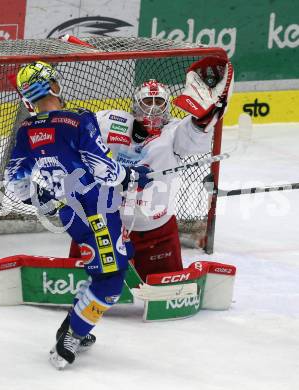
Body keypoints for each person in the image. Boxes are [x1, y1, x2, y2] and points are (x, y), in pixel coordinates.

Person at [5, 60, 152, 368]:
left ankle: (78, 326)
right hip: (97, 211)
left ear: (27, 98)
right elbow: (105, 169)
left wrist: (44, 194)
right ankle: (69, 338)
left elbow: (16, 187)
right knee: (111, 281)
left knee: (103, 269)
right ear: (54, 86)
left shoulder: (26, 131)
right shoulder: (78, 120)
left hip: (70, 217)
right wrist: (131, 177)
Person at [69, 56, 234, 281]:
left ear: (168, 107)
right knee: (78, 279)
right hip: (105, 222)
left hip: (156, 228)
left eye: (160, 103)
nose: (153, 110)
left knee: (165, 283)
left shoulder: (175, 133)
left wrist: (206, 116)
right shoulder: (111, 121)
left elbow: (196, 131)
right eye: (148, 102)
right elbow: (79, 128)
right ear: (136, 105)